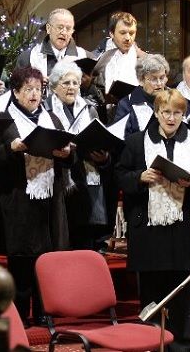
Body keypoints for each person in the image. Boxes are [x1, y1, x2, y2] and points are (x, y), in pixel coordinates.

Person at [115, 89, 190, 352]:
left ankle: (181, 346)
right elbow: (119, 176)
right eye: (166, 112)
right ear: (157, 113)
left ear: (184, 114)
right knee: (151, 294)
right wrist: (140, 177)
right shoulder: (137, 143)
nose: (171, 118)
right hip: (149, 231)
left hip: (184, 229)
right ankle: (150, 345)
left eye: (177, 113)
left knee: (182, 296)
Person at [0, 66, 73, 327]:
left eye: (38, 89)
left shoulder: (52, 119)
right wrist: (10, 149)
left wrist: (68, 154)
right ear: (15, 92)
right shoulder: (3, 119)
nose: (34, 94)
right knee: (21, 260)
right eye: (28, 89)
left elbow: (68, 154)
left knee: (47, 259)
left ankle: (45, 311)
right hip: (19, 199)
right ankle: (21, 312)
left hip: (49, 199)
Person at [45, 60, 111, 251]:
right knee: (61, 241)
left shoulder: (89, 109)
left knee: (84, 242)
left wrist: (104, 157)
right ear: (54, 86)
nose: (72, 87)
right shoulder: (46, 110)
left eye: (75, 82)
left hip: (86, 181)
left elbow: (101, 138)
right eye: (66, 83)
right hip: (58, 182)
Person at [15, 8, 88, 77]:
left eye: (68, 29)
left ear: (72, 32)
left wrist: (88, 85)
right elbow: (16, 87)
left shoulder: (85, 57)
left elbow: (96, 88)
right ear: (48, 28)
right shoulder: (27, 57)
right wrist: (36, 83)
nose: (64, 33)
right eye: (60, 27)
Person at [114, 53, 170, 136]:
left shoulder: (175, 98)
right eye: (153, 79)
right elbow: (122, 139)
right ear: (141, 80)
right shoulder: (126, 104)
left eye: (162, 78)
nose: (159, 84)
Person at [92, 12, 145, 99]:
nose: (128, 38)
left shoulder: (142, 59)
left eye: (131, 33)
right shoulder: (97, 57)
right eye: (123, 33)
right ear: (111, 33)